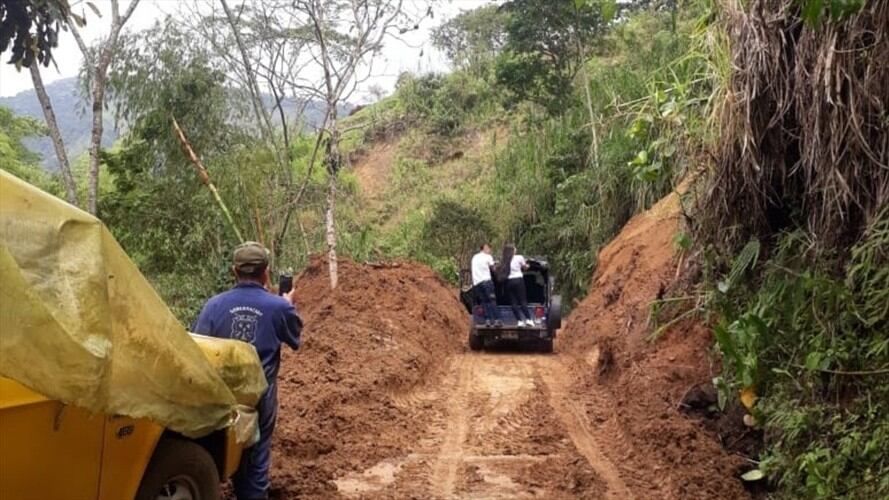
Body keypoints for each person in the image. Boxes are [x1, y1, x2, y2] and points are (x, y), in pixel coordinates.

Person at [193, 241, 302, 500]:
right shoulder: (279, 307)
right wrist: (287, 302)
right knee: (256, 454)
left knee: (218, 448)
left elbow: (199, 347)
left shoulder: (213, 305)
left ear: (234, 271)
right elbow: (294, 337)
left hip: (220, 395)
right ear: (266, 272)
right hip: (259, 396)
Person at [498, 243, 537, 327]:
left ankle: (519, 321)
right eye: (514, 248)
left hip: (508, 282)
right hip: (518, 280)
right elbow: (525, 267)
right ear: (512, 250)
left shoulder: (504, 260)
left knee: (513, 302)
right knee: (522, 301)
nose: (516, 249)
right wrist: (528, 265)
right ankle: (528, 319)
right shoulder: (519, 257)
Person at [471, 243, 502, 327]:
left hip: (477, 284)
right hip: (486, 282)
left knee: (484, 302)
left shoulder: (474, 257)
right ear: (485, 248)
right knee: (492, 300)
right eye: (489, 249)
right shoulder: (488, 257)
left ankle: (488, 320)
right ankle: (497, 320)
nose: (490, 251)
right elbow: (493, 269)